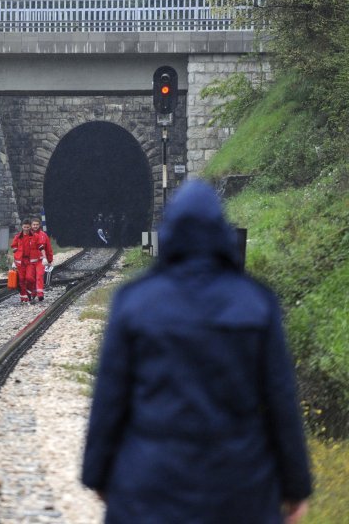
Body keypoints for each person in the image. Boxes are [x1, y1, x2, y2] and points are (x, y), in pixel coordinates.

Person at [81, 179, 312, 524]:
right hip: (239, 488)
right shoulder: (257, 303)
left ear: (169, 232)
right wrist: (295, 485)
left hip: (149, 485)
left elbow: (111, 397)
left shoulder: (134, 302)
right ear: (221, 232)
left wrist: (97, 474)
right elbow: (281, 401)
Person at [11, 218, 36, 303]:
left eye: (28, 227)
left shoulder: (34, 237)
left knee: (30, 278)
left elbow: (39, 247)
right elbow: (13, 246)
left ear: (30, 227)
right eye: (24, 227)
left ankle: (30, 290)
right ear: (22, 227)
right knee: (21, 279)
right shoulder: (18, 237)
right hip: (20, 261)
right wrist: (14, 260)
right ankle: (23, 297)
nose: (26, 229)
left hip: (30, 261)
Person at [30, 216, 53, 301]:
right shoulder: (28, 235)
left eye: (37, 224)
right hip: (30, 260)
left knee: (39, 276)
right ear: (31, 225)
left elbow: (48, 248)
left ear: (39, 225)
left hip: (41, 260)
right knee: (31, 277)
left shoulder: (43, 235)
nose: (35, 226)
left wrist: (49, 260)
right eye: (34, 224)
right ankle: (33, 293)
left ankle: (40, 294)